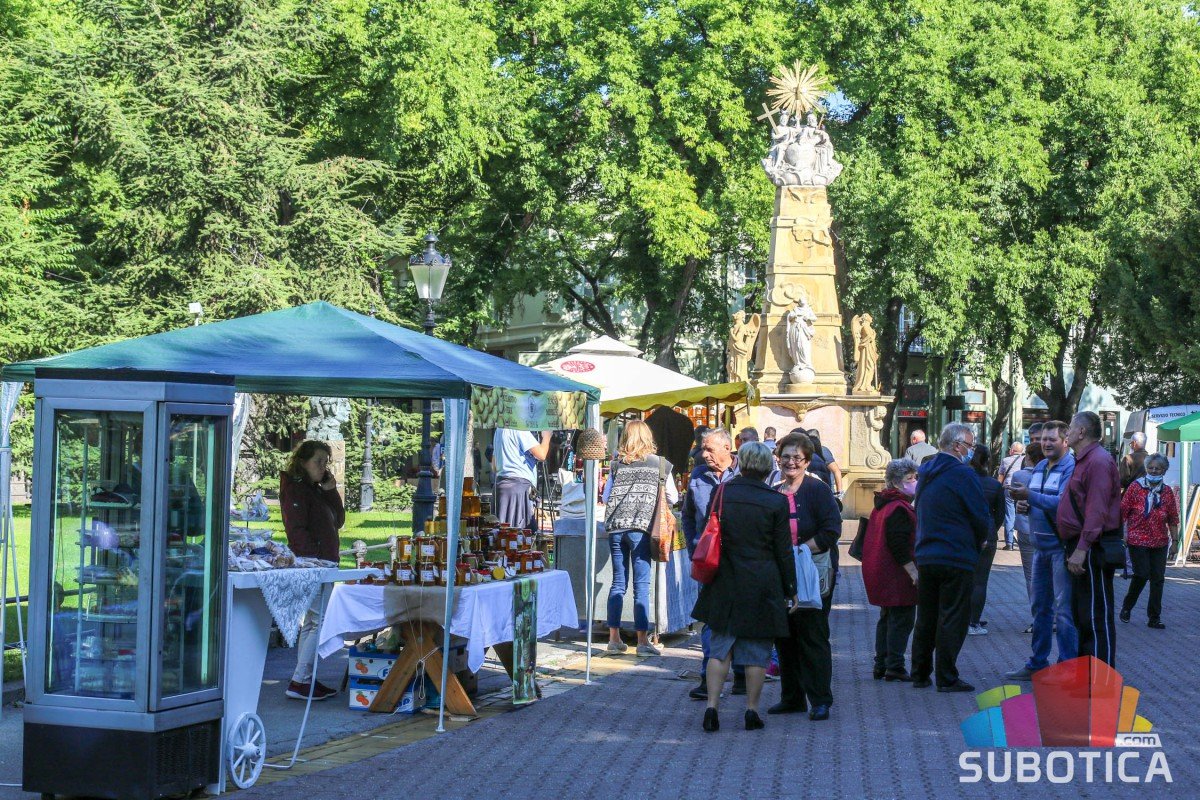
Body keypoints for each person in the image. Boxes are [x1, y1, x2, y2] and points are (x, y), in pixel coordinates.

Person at [691, 442, 796, 732]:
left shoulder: (722, 492)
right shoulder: (776, 501)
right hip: (762, 582)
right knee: (757, 652)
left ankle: (712, 707)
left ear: (742, 462)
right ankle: (751, 710)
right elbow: (783, 550)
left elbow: (708, 529)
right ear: (767, 466)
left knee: (720, 649)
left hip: (724, 579)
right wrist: (791, 588)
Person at [910, 423, 991, 692]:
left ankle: (920, 672)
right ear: (957, 446)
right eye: (969, 445)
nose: (971, 450)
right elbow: (979, 513)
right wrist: (982, 538)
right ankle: (947, 676)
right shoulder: (963, 473)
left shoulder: (927, 470)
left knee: (926, 616)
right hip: (956, 553)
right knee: (953, 617)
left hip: (927, 552)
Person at [768, 432, 842, 720]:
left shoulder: (817, 490)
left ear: (807, 461)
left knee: (813, 635)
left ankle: (820, 699)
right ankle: (792, 697)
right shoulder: (774, 490)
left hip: (813, 571)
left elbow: (831, 530)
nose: (791, 462)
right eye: (785, 456)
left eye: (797, 457)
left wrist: (799, 550)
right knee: (785, 636)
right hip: (782, 573)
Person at [1005, 421, 1077, 680]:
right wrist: (1025, 506)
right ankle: (1038, 663)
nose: (1045, 443)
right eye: (1042, 439)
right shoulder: (1039, 467)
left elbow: (1064, 504)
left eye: (1051, 439)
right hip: (1040, 548)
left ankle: (1067, 667)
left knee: (1064, 611)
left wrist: (1030, 497)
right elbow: (1038, 501)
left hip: (1060, 548)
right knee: (1040, 608)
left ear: (1065, 441)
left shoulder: (1071, 468)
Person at [601, 421, 678, 656]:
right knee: (641, 586)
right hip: (642, 528)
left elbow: (606, 497)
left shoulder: (616, 465)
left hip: (616, 528)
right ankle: (642, 642)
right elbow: (673, 497)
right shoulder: (660, 464)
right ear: (648, 437)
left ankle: (614, 639)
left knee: (618, 583)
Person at [279, 440, 346, 700]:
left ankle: (303, 677)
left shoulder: (315, 490)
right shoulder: (295, 490)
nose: (323, 467)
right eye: (318, 462)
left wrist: (331, 491)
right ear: (302, 462)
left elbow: (338, 520)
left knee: (312, 622)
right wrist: (313, 561)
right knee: (319, 621)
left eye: (325, 462)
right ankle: (300, 680)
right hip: (314, 564)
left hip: (323, 561)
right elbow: (296, 530)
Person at [1058, 411, 1122, 666]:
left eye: (1071, 427)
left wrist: (1082, 549)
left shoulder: (1098, 461)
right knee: (1084, 615)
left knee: (1095, 616)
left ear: (1082, 432)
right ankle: (1089, 676)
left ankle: (1100, 678)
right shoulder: (1086, 459)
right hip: (1082, 545)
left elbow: (1097, 510)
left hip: (1092, 547)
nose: (1067, 432)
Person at [681, 428, 741, 699]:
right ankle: (708, 678)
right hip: (707, 560)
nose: (704, 455)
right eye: (702, 449)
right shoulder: (698, 475)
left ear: (727, 448)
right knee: (709, 617)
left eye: (709, 449)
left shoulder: (743, 475)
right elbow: (688, 515)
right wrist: (694, 546)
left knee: (740, 615)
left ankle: (741, 674)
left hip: (738, 558)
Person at [862, 458, 919, 682]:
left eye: (915, 477)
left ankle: (882, 663)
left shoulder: (883, 504)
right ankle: (894, 665)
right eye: (910, 478)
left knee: (886, 618)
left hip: (881, 569)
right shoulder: (899, 507)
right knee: (902, 619)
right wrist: (913, 572)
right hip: (896, 574)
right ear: (896, 482)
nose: (914, 482)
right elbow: (898, 544)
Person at [1120, 453, 1177, 629]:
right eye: (1150, 468)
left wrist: (1175, 542)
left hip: (1160, 541)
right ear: (1146, 469)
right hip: (1138, 539)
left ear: (1164, 471)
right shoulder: (1135, 487)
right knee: (1142, 574)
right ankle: (1127, 606)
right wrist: (1123, 534)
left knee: (1158, 579)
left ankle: (1154, 617)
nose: (1153, 471)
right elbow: (1122, 512)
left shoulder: (1167, 492)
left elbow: (1173, 518)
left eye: (1157, 469)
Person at [967, 444, 1006, 636]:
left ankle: (962, 618)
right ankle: (974, 621)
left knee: (963, 579)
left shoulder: (964, 481)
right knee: (980, 581)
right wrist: (992, 529)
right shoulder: (994, 485)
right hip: (987, 533)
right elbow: (1000, 515)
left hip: (965, 533)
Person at [1010, 423, 1045, 633]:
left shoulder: (1020, 476)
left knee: (1031, 576)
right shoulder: (1051, 473)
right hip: (1046, 530)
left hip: (1026, 528)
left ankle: (1039, 618)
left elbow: (1012, 496)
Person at [492, 427, 552, 529]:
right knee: (521, 533)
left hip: (501, 486)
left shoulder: (499, 429)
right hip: (518, 487)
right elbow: (542, 455)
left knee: (502, 533)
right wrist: (547, 436)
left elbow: (494, 466)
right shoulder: (519, 428)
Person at [998, 442, 1025, 550]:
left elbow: (1001, 477)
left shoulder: (1005, 460)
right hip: (1022, 489)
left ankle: (1009, 543)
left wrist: (998, 489)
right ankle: (1022, 541)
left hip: (1008, 489)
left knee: (1010, 515)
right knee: (1021, 514)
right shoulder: (1025, 460)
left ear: (1012, 450)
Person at [807, 428, 844, 496]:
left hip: (826, 492)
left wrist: (840, 493)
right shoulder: (807, 452)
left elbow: (836, 471)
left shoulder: (823, 451)